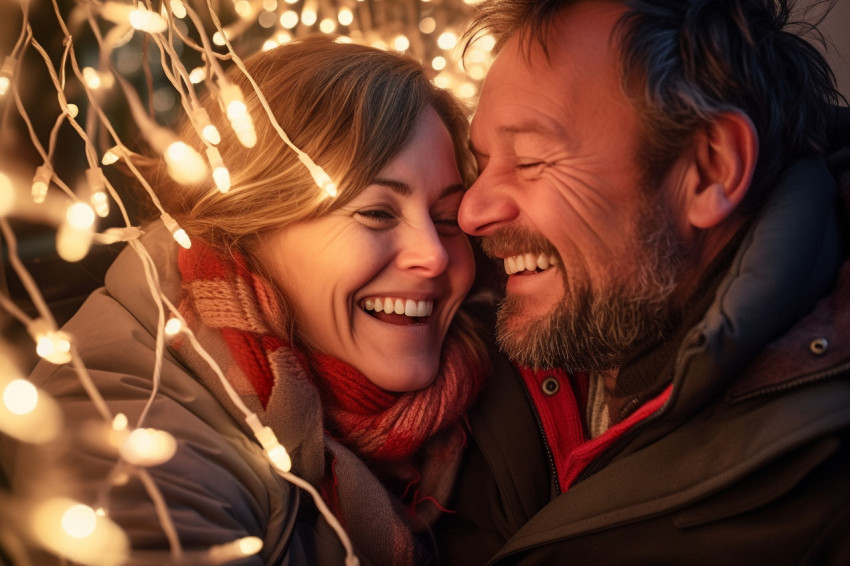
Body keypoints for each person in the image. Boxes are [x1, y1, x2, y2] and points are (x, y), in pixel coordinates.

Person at [1, 36, 491, 565]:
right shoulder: (127, 439)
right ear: (249, 222)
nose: (435, 256)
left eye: (447, 219)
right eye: (377, 213)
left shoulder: (483, 389)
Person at [435, 0, 850, 564]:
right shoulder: (469, 351)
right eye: (481, 162)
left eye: (530, 159)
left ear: (709, 168)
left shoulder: (823, 494)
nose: (472, 212)